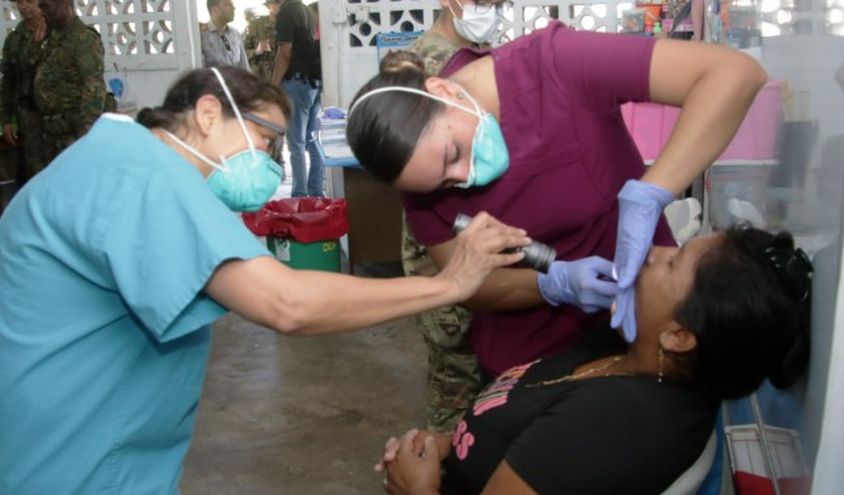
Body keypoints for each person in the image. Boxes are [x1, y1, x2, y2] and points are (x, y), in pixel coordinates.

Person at [0, 66, 531, 493]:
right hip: (77, 456)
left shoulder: (118, 158)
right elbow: (285, 302)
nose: (272, 164)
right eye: (266, 139)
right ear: (208, 113)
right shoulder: (150, 175)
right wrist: (450, 284)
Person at [346, 21, 768, 379]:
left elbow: (733, 74)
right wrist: (551, 284)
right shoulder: (415, 167)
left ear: (443, 89)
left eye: (453, 154)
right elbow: (470, 283)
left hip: (646, 321)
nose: (463, 178)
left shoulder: (555, 64)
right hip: (527, 361)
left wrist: (651, 191)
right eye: (443, 185)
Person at [377, 226, 814, 495]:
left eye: (671, 262)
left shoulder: (613, 424)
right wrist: (453, 444)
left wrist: (419, 487)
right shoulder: (629, 349)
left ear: (679, 336)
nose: (651, 252)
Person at [401, 0, 508, 434]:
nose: (491, 10)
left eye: (499, 3)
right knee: (455, 382)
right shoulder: (422, 66)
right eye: (483, 2)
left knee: (486, 383)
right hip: (444, 246)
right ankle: (443, 460)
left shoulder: (481, 56)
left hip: (476, 241)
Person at [33, 0, 105, 168]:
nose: (41, 12)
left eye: (46, 6)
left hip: (72, 133)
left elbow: (93, 86)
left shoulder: (83, 38)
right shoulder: (51, 37)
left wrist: (87, 133)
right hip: (50, 132)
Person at [272, 0, 324, 197]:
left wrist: (274, 84)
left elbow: (285, 52)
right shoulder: (306, 10)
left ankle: (299, 195)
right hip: (313, 81)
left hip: (296, 82)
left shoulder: (287, 11)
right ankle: (316, 190)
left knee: (296, 143)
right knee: (311, 138)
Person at [0, 0, 46, 182]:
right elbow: (8, 82)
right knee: (35, 173)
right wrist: (6, 119)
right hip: (29, 119)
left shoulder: (57, 32)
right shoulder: (14, 40)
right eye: (19, 2)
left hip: (60, 118)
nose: (24, 6)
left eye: (29, 1)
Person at [202, 0, 250, 70]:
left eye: (232, 4)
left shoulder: (235, 34)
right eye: (227, 5)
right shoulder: (202, 36)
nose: (233, 8)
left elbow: (244, 67)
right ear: (215, 10)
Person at [244, 0, 281, 82]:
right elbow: (242, 53)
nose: (281, 5)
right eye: (277, 2)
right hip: (262, 79)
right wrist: (256, 51)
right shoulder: (256, 25)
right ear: (268, 6)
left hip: (283, 78)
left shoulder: (290, 25)